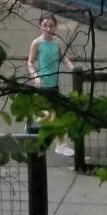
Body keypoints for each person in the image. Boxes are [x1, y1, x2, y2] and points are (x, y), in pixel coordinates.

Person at [26, 13, 75, 156]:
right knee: (52, 113)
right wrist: (35, 77)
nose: (48, 28)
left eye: (51, 25)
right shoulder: (36, 43)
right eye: (45, 25)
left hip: (54, 83)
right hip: (42, 85)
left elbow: (63, 58)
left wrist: (73, 69)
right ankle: (59, 143)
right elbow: (29, 63)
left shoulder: (57, 42)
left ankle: (35, 129)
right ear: (40, 26)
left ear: (55, 27)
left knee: (55, 114)